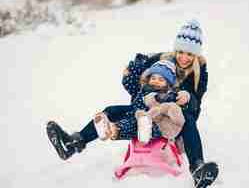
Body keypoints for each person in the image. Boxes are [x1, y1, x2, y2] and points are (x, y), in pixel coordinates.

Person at [47, 19, 218, 188]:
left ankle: (197, 168)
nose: (184, 57)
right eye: (180, 51)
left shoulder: (199, 73)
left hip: (173, 116)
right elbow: (139, 77)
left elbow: (197, 102)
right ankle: (74, 142)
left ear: (196, 55)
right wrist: (131, 72)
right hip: (144, 107)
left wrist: (187, 98)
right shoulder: (163, 58)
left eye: (189, 54)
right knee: (111, 110)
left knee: (188, 120)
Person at [47, 59, 186, 158]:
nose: (156, 81)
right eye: (154, 77)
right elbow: (130, 83)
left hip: (151, 122)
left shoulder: (166, 94)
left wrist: (167, 97)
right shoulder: (144, 87)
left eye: (161, 80)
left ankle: (113, 129)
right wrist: (133, 68)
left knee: (134, 123)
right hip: (134, 111)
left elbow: (171, 101)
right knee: (111, 110)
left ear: (168, 84)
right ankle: (75, 142)